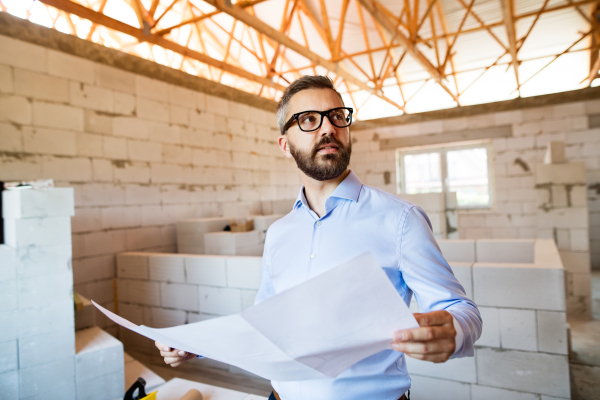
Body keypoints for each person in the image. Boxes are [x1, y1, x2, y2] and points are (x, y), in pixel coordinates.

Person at [156, 76, 482, 400]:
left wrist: (456, 331)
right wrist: (197, 346)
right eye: (309, 119)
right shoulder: (279, 234)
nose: (328, 128)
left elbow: (460, 310)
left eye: (337, 116)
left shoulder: (400, 219)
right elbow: (266, 325)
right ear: (285, 145)